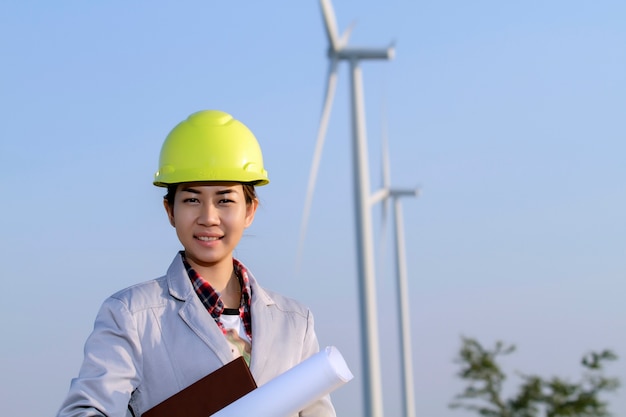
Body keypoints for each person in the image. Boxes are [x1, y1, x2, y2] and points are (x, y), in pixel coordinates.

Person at [57, 110, 336, 417]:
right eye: (192, 199)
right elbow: (84, 412)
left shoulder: (295, 323)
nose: (208, 217)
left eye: (225, 199)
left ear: (250, 210)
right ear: (170, 210)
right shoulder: (130, 316)